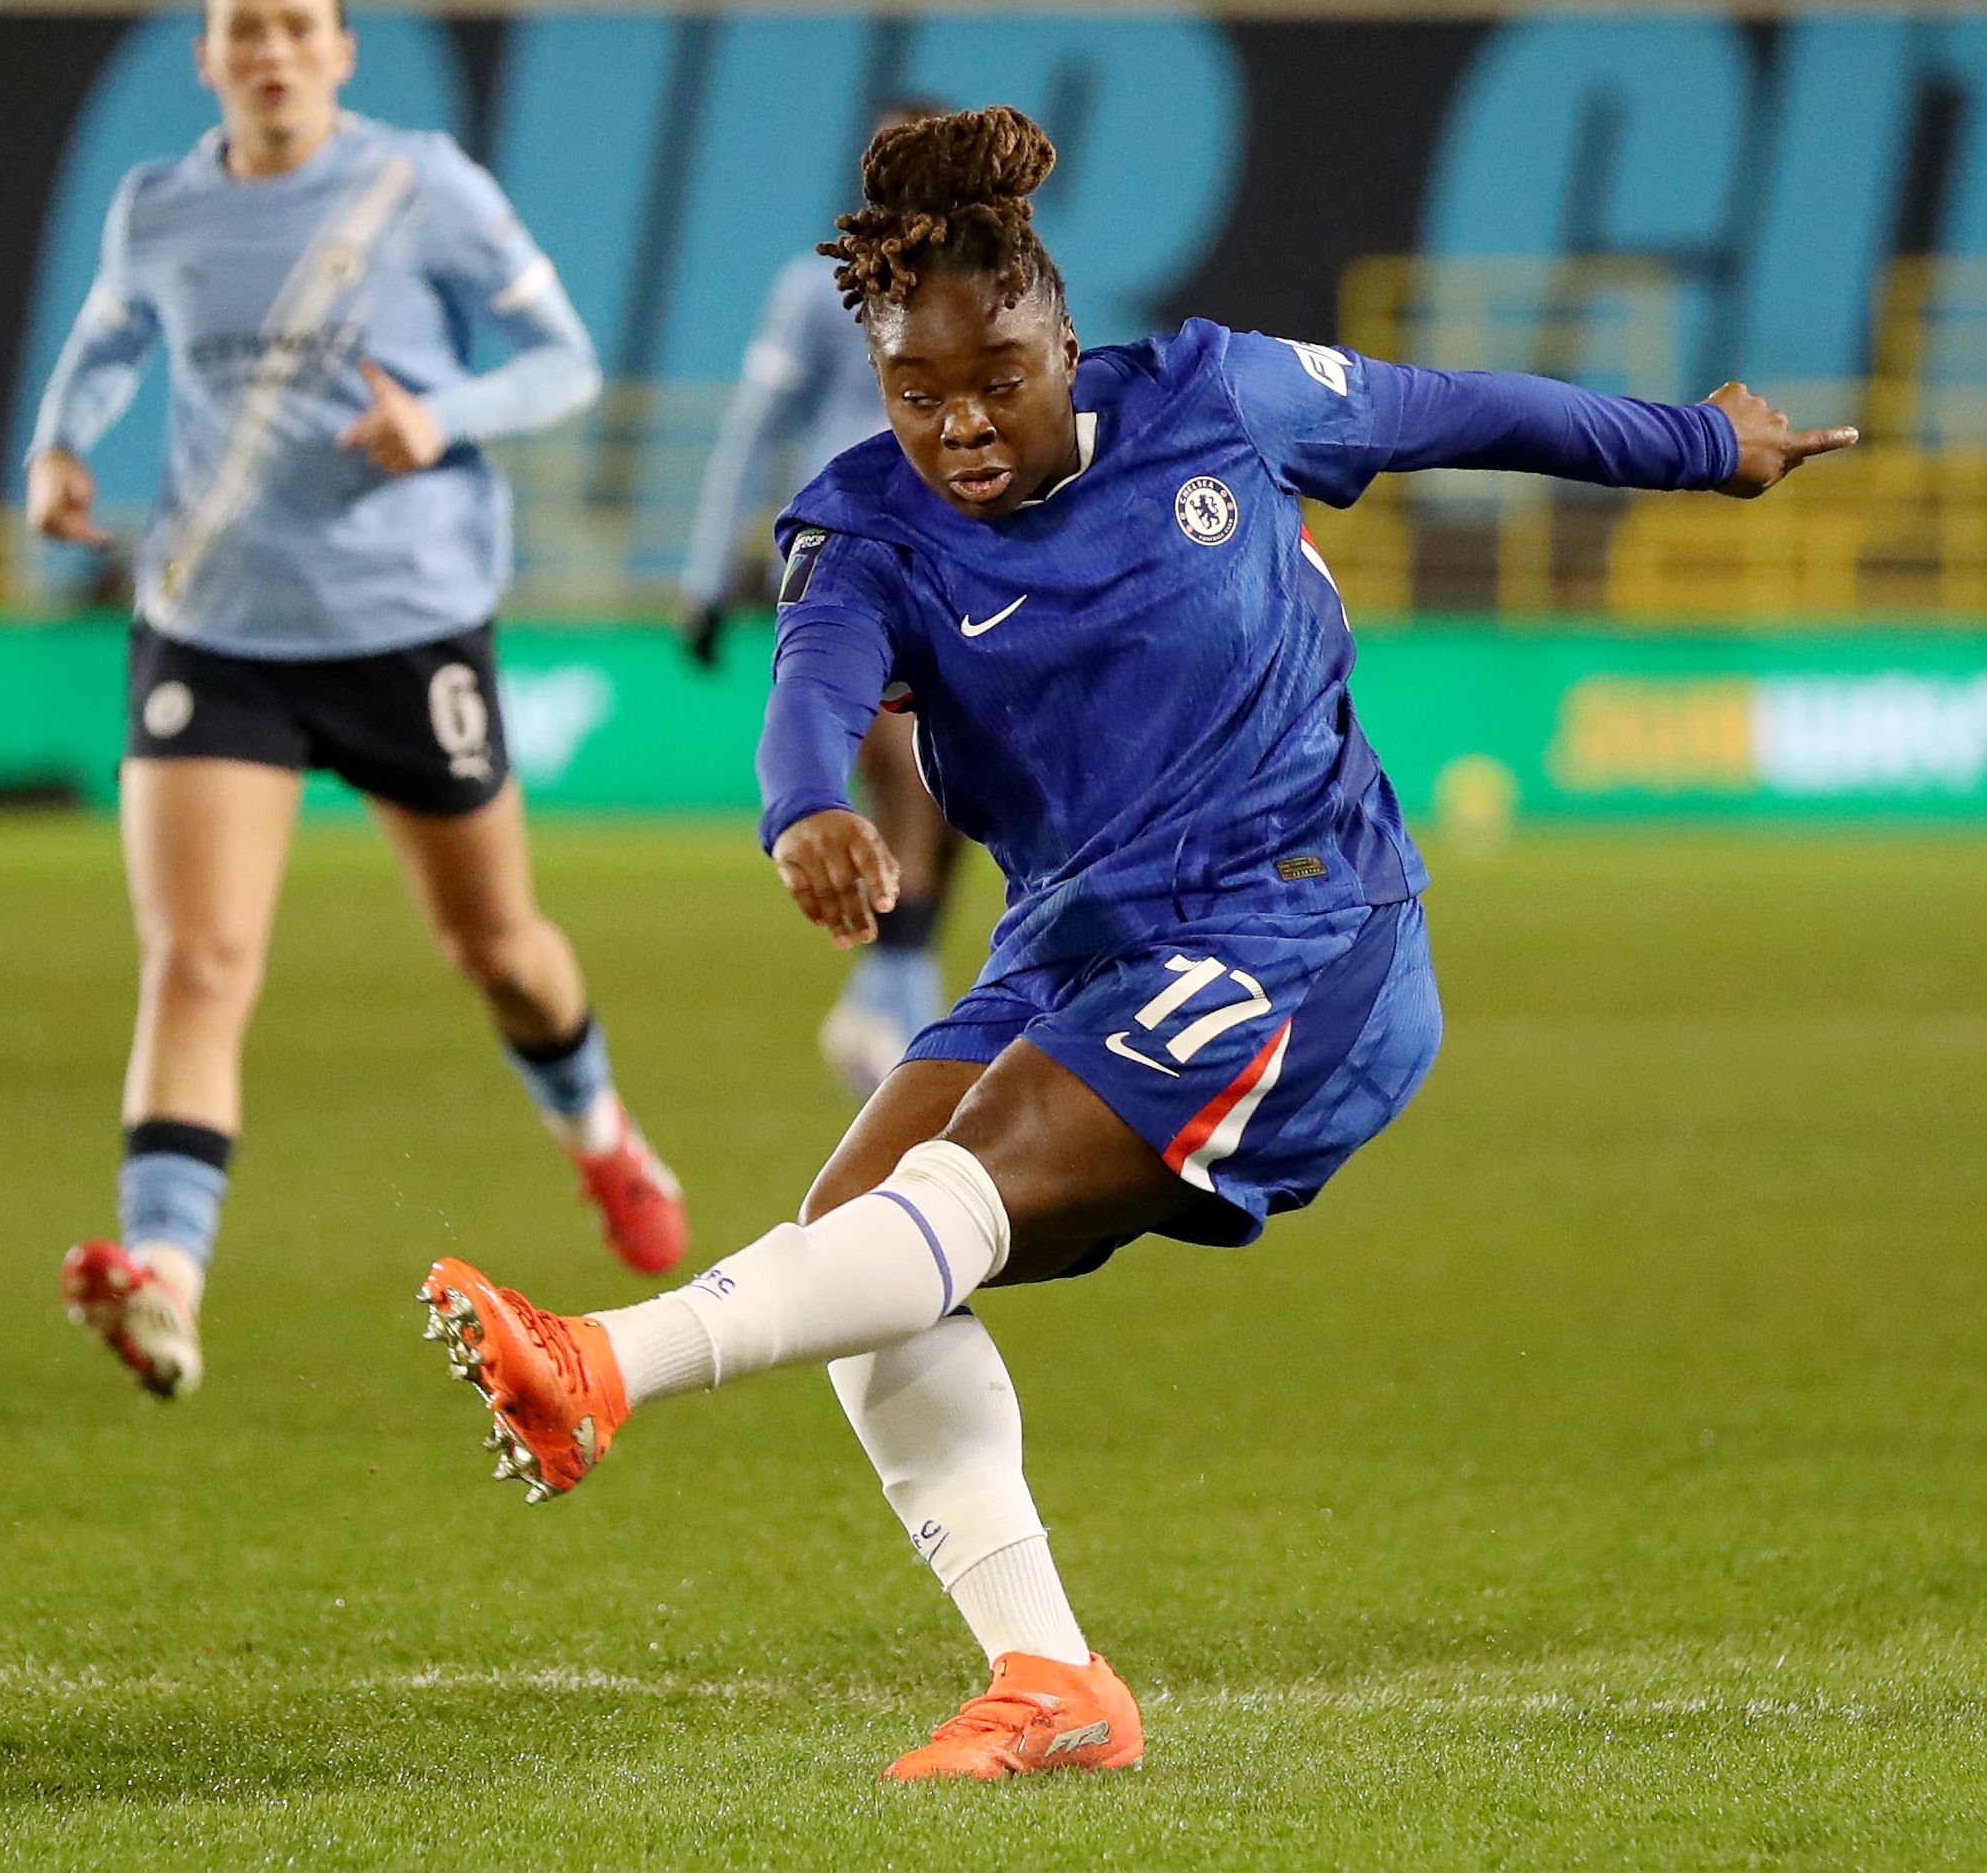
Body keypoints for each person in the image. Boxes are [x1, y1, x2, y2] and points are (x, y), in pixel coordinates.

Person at [415, 106, 1853, 1780]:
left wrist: (1697, 443)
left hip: (1308, 935)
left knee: (934, 1214)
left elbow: (1459, 409)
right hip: (1076, 941)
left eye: (996, 380)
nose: (958, 425)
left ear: (1063, 339)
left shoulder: (1215, 402)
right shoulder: (865, 523)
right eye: (915, 395)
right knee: (858, 1263)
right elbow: (810, 683)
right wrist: (807, 808)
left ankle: (604, 1365)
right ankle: (1050, 1682)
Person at [27, 0, 688, 1400]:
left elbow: (561, 361)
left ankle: (602, 1141)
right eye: (242, 31)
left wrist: (441, 419)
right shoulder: (159, 208)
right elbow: (103, 339)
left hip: (405, 626)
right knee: (197, 961)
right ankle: (166, 1283)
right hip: (216, 629)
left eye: (297, 28)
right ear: (205, 60)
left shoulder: (420, 187)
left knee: (495, 951)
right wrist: (60, 443)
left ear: (339, 53)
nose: (270, 52)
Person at [680, 100, 971, 1097]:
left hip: (959, 553)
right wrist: (703, 572)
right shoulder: (817, 290)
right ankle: (901, 991)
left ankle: (890, 993)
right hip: (848, 554)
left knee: (955, 778)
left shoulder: (984, 287)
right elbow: (752, 427)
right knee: (897, 756)